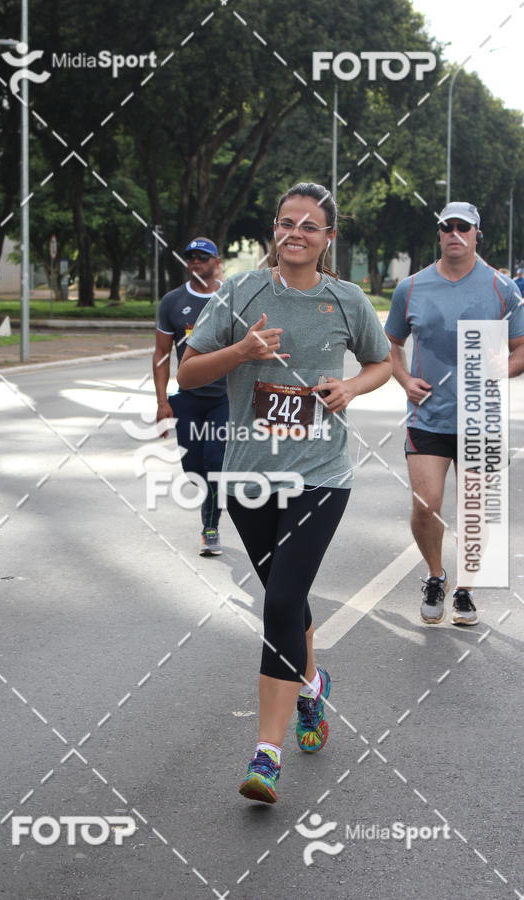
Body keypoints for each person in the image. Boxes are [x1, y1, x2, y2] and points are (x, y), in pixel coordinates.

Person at [177, 183, 391, 803]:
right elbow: (189, 371)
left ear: (328, 239)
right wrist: (242, 350)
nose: (296, 231)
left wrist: (352, 388)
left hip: (320, 473)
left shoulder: (346, 299)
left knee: (282, 599)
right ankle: (313, 685)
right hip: (249, 473)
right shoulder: (239, 292)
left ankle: (265, 754)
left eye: (311, 225)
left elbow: (380, 363)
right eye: (287, 221)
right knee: (284, 598)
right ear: (275, 229)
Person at [385, 202, 524, 627]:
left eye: (463, 227)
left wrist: (504, 367)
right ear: (440, 233)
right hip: (428, 417)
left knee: (477, 510)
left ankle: (465, 588)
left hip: (481, 416)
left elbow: (521, 349)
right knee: (427, 506)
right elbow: (391, 347)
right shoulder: (412, 287)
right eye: (447, 227)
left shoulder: (502, 288)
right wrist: (405, 380)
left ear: (477, 233)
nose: (454, 234)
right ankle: (435, 576)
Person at [153, 238, 228, 556]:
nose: (195, 262)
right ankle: (213, 502)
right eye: (190, 257)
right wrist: (162, 402)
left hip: (226, 397)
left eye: (202, 257)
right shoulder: (173, 301)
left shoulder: (232, 297)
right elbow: (161, 354)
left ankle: (210, 528)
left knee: (215, 463)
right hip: (189, 398)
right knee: (193, 467)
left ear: (216, 262)